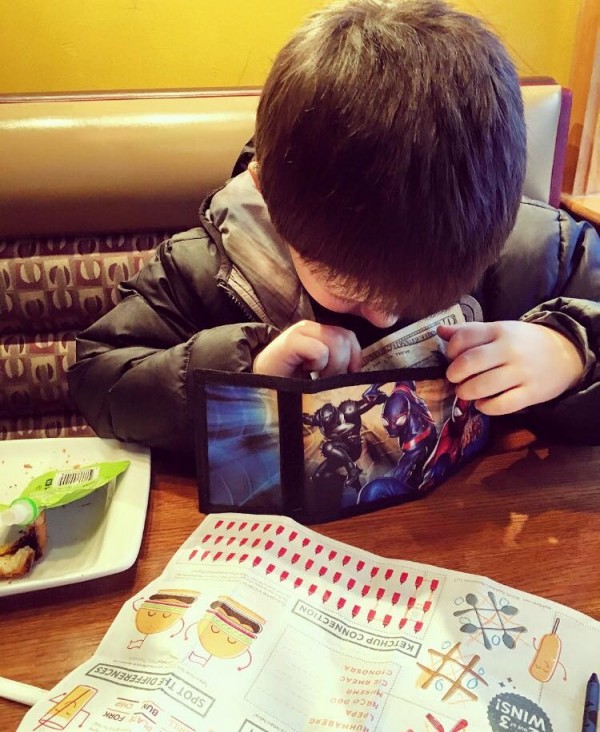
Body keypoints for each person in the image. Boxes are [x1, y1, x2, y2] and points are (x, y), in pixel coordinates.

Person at [67, 0, 600, 453]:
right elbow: (99, 378)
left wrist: (572, 354)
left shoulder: (537, 247)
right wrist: (242, 376)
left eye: (426, 292)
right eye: (348, 289)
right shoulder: (204, 268)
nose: (387, 313)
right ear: (266, 193)